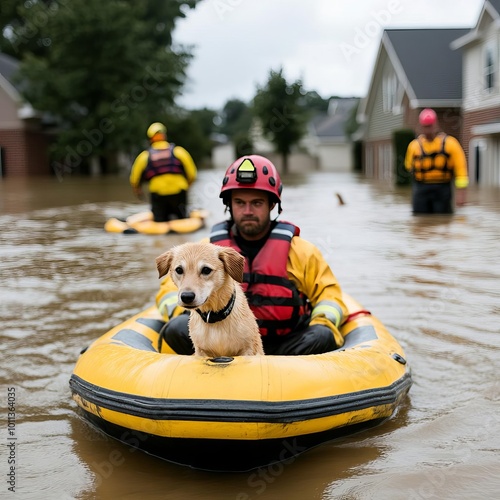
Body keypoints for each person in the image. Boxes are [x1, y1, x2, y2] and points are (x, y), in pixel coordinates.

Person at [156, 154, 348, 356]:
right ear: (229, 205)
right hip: (220, 340)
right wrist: (192, 314)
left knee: (322, 336)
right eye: (239, 202)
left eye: (256, 203)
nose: (247, 211)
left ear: (272, 205)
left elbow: (329, 296)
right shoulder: (206, 251)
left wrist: (322, 322)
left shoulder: (301, 251)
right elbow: (173, 288)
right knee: (176, 327)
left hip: (286, 346)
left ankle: (282, 374)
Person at [404, 108, 469, 214]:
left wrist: (461, 195)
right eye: (425, 126)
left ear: (436, 125)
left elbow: (461, 171)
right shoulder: (413, 146)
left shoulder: (451, 143)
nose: (428, 130)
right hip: (421, 189)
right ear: (420, 126)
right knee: (419, 221)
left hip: (443, 189)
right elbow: (408, 166)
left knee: (443, 221)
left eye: (430, 126)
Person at [129, 122, 197, 222]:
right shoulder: (179, 151)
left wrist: (138, 191)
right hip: (179, 193)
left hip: (158, 196)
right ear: (164, 135)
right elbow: (192, 174)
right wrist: (187, 186)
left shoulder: (144, 156)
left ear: (150, 139)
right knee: (182, 219)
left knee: (159, 221)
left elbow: (134, 180)